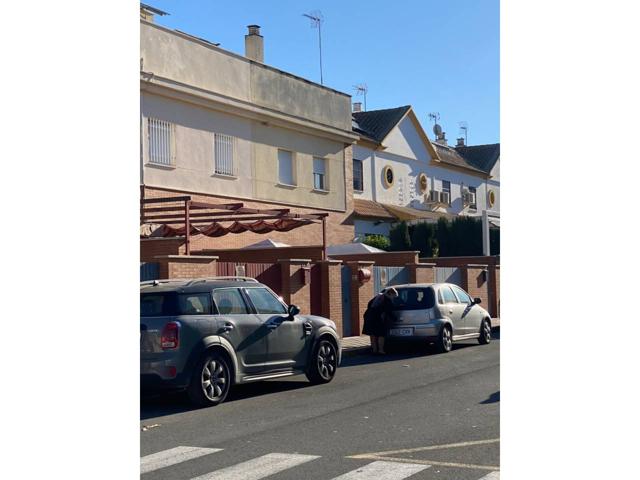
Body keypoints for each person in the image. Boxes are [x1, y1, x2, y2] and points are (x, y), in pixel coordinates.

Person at [362, 287, 398, 354]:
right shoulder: (387, 300)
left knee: (372, 334)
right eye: (393, 296)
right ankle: (381, 350)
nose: (393, 298)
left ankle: (374, 350)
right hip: (379, 318)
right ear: (390, 294)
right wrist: (395, 319)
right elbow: (389, 311)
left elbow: (369, 304)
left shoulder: (378, 296)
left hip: (370, 317)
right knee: (381, 335)